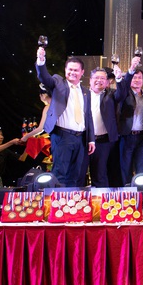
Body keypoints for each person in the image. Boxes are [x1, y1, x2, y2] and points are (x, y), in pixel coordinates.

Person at [35, 47, 95, 186]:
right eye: (70, 69)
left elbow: (88, 116)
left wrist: (91, 140)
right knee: (60, 174)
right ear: (65, 70)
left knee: (76, 175)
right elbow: (44, 77)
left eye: (76, 70)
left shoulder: (86, 92)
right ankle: (57, 200)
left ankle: (71, 200)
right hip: (62, 136)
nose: (72, 72)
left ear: (82, 72)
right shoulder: (58, 82)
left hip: (81, 138)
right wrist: (41, 60)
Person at [83, 61, 137, 187]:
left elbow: (122, 93)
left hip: (103, 141)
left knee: (100, 174)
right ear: (90, 80)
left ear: (107, 82)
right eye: (96, 78)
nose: (99, 80)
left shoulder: (110, 95)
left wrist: (119, 78)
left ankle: (101, 199)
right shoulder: (82, 94)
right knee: (79, 173)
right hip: (83, 140)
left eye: (103, 78)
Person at [117, 69, 143, 186]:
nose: (137, 80)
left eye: (139, 78)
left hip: (142, 137)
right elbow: (120, 93)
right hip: (126, 136)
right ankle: (127, 193)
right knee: (126, 167)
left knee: (141, 167)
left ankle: (141, 192)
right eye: (134, 77)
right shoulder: (125, 94)